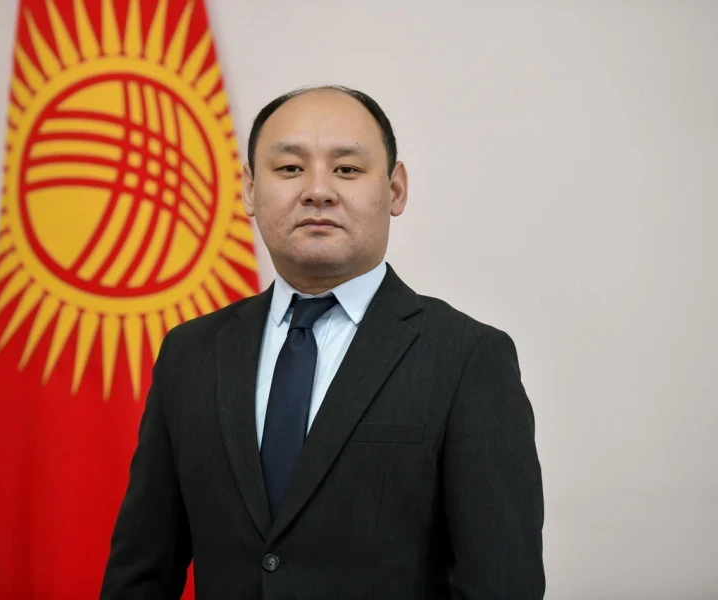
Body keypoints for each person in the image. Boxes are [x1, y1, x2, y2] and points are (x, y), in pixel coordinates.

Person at [101, 85, 545, 599]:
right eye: (290, 168)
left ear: (396, 189)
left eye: (347, 169)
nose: (317, 191)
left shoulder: (467, 357)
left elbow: (500, 585)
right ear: (249, 190)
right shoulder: (191, 352)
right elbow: (141, 574)